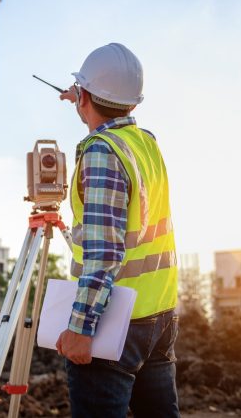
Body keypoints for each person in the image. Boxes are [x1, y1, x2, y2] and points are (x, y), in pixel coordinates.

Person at [55, 43, 179, 418]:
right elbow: (129, 231)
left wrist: (80, 327)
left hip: (114, 324)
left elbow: (106, 252)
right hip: (159, 315)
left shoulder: (101, 151)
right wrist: (85, 98)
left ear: (86, 97)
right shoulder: (145, 144)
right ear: (133, 103)